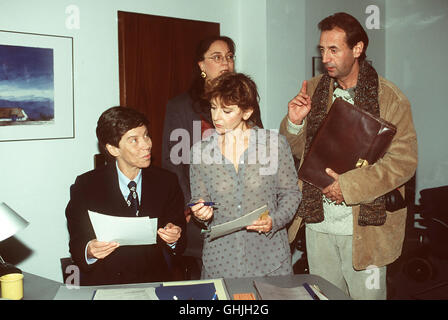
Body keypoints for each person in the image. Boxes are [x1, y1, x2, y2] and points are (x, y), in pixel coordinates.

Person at [279, 12, 418, 299]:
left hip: (368, 230)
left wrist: (349, 186)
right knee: (324, 296)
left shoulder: (390, 97)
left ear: (358, 49)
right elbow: (296, 151)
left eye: (334, 49)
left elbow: (403, 163)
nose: (325, 57)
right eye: (322, 50)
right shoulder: (315, 90)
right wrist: (294, 122)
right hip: (319, 224)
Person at [190, 72, 301, 279]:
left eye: (226, 110)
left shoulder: (274, 145)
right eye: (213, 108)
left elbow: (291, 194)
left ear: (247, 112)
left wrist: (274, 220)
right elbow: (199, 198)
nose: (216, 117)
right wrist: (201, 212)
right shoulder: (200, 151)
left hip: (270, 259)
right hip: (221, 260)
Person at [66, 106, 186, 285]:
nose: (147, 144)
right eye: (134, 140)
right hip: (107, 282)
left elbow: (180, 238)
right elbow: (77, 242)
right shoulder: (86, 186)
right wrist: (90, 250)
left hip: (153, 281)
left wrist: (174, 238)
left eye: (146, 135)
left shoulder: (166, 182)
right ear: (114, 149)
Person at [161, 35, 242, 278]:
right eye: (217, 58)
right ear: (201, 66)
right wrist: (189, 205)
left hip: (237, 208)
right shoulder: (182, 106)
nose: (225, 63)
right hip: (198, 208)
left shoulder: (243, 102)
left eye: (229, 57)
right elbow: (173, 162)